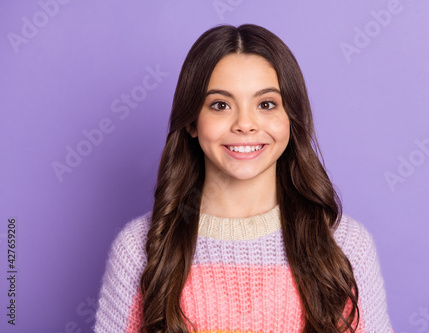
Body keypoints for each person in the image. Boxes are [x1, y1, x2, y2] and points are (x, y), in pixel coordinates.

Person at [94, 24, 393, 333]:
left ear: (291, 119)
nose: (245, 124)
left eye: (266, 104)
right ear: (192, 122)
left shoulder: (344, 245)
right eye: (220, 105)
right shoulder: (141, 247)